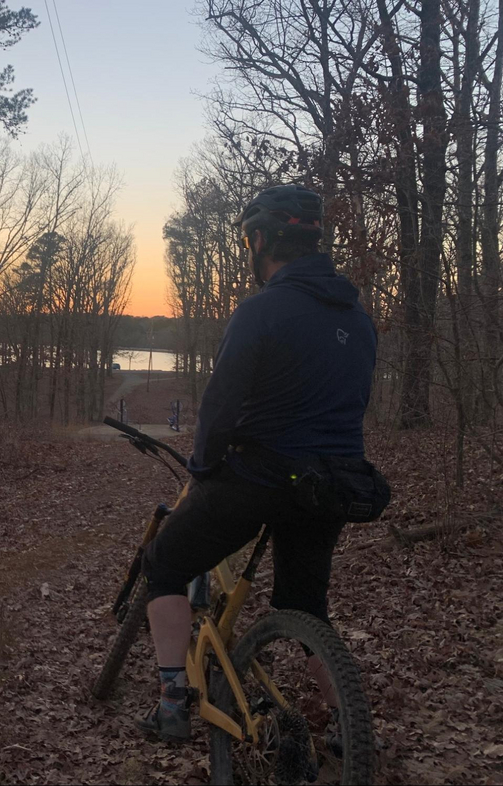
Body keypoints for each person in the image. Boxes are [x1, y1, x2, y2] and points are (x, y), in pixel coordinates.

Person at [135, 184, 377, 741]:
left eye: (249, 242)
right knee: (306, 605)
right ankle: (350, 728)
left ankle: (172, 705)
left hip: (260, 477)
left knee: (165, 565)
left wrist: (203, 467)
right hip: (333, 484)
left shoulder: (261, 310)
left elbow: (219, 408)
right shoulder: (359, 320)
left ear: (260, 241)